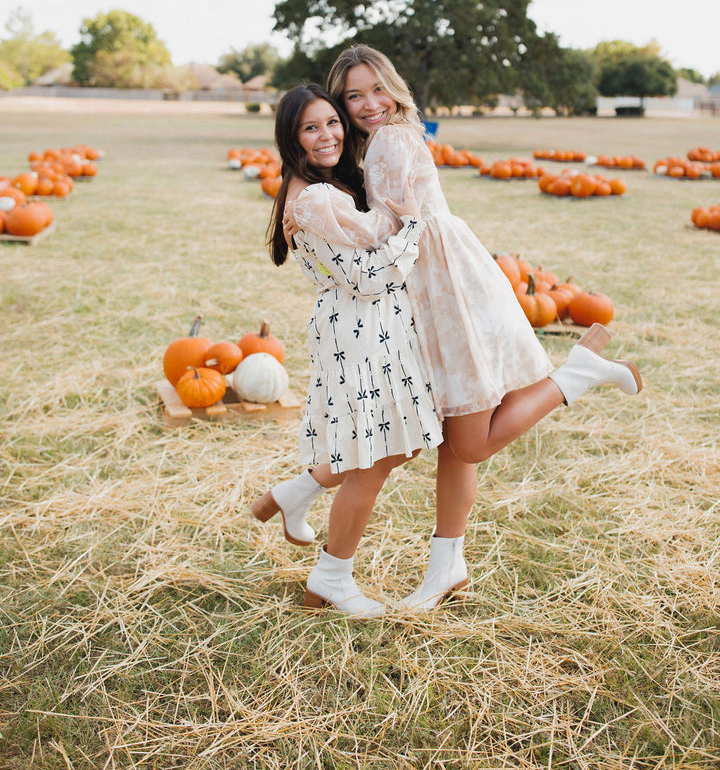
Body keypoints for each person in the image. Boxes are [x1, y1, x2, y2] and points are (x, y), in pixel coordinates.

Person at [277, 46, 642, 612]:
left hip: (446, 290)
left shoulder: (394, 138)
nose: (368, 104)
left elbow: (388, 224)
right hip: (422, 289)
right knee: (447, 442)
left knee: (466, 441)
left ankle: (577, 376)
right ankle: (447, 565)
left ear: (393, 87)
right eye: (353, 95)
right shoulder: (377, 143)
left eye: (376, 89)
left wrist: (322, 209)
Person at [251, 83, 443, 616]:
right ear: (291, 139)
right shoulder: (311, 198)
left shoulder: (331, 187)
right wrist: (413, 226)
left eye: (332, 122)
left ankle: (296, 492)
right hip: (356, 331)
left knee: (401, 445)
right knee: (373, 459)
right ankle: (331, 578)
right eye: (310, 128)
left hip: (378, 328)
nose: (328, 134)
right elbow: (368, 277)